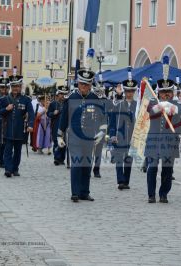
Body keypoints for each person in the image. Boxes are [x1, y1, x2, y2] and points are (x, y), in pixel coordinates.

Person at [57, 48, 107, 202]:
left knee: (87, 166)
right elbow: (64, 118)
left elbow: (101, 117)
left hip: (90, 137)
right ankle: (75, 192)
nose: (85, 87)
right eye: (82, 84)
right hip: (75, 137)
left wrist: (102, 132)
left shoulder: (95, 97)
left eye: (88, 85)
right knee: (77, 164)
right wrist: (60, 135)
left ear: (91, 84)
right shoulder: (71, 98)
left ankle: (85, 192)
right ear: (78, 83)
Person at [144, 56, 181, 203]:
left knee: (167, 169)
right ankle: (151, 195)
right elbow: (150, 111)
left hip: (170, 142)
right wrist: (161, 106)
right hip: (154, 141)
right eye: (163, 92)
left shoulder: (179, 105)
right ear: (158, 92)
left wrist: (175, 109)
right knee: (152, 168)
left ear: (172, 92)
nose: (166, 94)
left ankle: (164, 193)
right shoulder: (152, 102)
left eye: (168, 92)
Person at [0, 71, 34, 177]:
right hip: (8, 128)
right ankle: (8, 169)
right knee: (8, 150)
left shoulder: (26, 99)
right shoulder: (5, 99)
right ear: (10, 86)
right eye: (13, 86)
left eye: (17, 86)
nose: (15, 88)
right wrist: (6, 108)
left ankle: (15, 168)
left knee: (18, 151)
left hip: (20, 129)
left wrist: (30, 125)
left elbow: (31, 113)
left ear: (20, 86)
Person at [109, 71, 137, 190]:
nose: (129, 93)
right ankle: (120, 181)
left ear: (134, 92)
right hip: (119, 136)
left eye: (131, 91)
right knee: (119, 159)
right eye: (127, 91)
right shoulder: (118, 106)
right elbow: (112, 122)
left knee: (128, 160)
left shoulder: (138, 105)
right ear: (125, 92)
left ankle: (126, 181)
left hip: (132, 137)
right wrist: (112, 135)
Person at [48, 85, 68, 166]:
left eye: (64, 94)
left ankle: (62, 158)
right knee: (57, 142)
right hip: (56, 125)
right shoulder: (53, 104)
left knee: (64, 142)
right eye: (61, 94)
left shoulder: (68, 103)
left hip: (66, 126)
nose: (63, 96)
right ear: (58, 94)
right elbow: (48, 113)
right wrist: (53, 113)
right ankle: (56, 158)